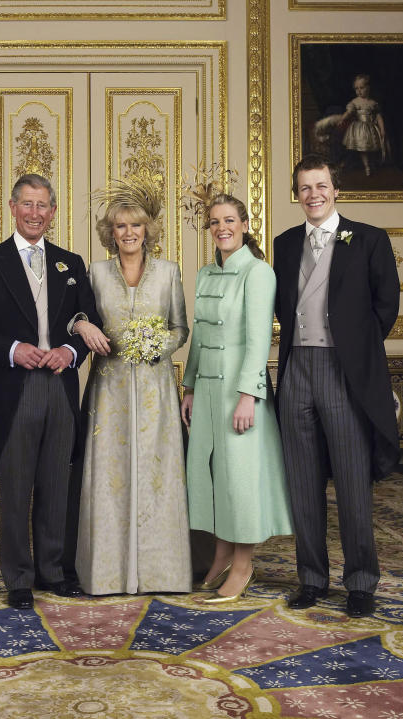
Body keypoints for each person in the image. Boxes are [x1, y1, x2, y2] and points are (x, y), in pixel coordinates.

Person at [0, 174, 101, 610]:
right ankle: (18, 577)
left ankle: (52, 571)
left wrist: (70, 352)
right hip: (15, 386)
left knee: (57, 483)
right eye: (27, 205)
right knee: (17, 486)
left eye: (43, 206)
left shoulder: (70, 263)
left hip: (60, 386)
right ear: (12, 207)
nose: (35, 213)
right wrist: (13, 349)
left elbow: (88, 319)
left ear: (53, 212)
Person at [273, 155, 400, 619]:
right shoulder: (285, 244)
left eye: (321, 185)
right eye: (305, 188)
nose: (314, 195)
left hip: (343, 372)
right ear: (298, 194)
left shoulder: (368, 239)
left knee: (351, 482)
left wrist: (354, 348)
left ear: (335, 189)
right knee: (302, 482)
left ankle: (361, 582)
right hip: (296, 371)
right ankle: (311, 578)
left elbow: (386, 305)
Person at [68, 180, 191, 595]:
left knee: (159, 475)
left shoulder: (169, 272)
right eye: (119, 227)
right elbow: (77, 315)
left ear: (147, 229)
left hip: (156, 392)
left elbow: (181, 328)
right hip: (110, 390)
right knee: (110, 476)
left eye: (135, 226)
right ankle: (107, 574)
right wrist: (81, 324)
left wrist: (162, 344)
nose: (128, 233)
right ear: (110, 232)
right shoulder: (97, 273)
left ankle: (162, 574)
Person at [180, 194, 293, 604]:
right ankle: (222, 553)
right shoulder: (206, 273)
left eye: (229, 220)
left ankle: (243, 565)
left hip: (240, 391)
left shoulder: (259, 272)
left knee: (241, 480)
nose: (221, 227)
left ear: (245, 224)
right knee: (212, 475)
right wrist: (189, 386)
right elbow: (199, 335)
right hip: (206, 389)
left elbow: (259, 339)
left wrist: (249, 395)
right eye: (214, 222)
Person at [339, 74, 387, 177]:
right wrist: (342, 118)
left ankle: (372, 164)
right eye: (356, 88)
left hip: (371, 128)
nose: (359, 91)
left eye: (361, 88)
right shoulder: (355, 102)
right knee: (363, 149)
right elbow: (349, 112)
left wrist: (382, 129)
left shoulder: (373, 103)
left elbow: (378, 117)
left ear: (368, 88)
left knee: (372, 148)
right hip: (359, 129)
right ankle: (367, 167)